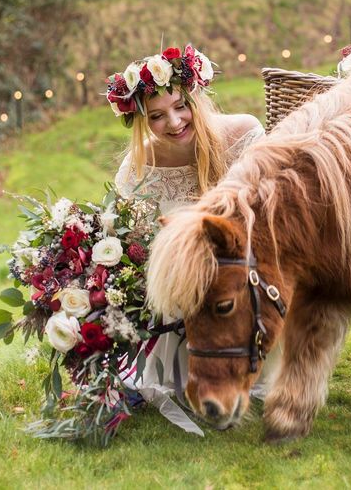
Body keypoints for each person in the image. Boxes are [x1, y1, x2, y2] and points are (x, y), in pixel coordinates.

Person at [108, 44, 278, 434]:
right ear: (140, 120)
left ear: (195, 97)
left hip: (242, 278)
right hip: (179, 296)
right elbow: (131, 235)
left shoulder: (243, 134)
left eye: (180, 106)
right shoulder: (137, 166)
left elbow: (268, 220)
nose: (173, 121)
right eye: (156, 116)